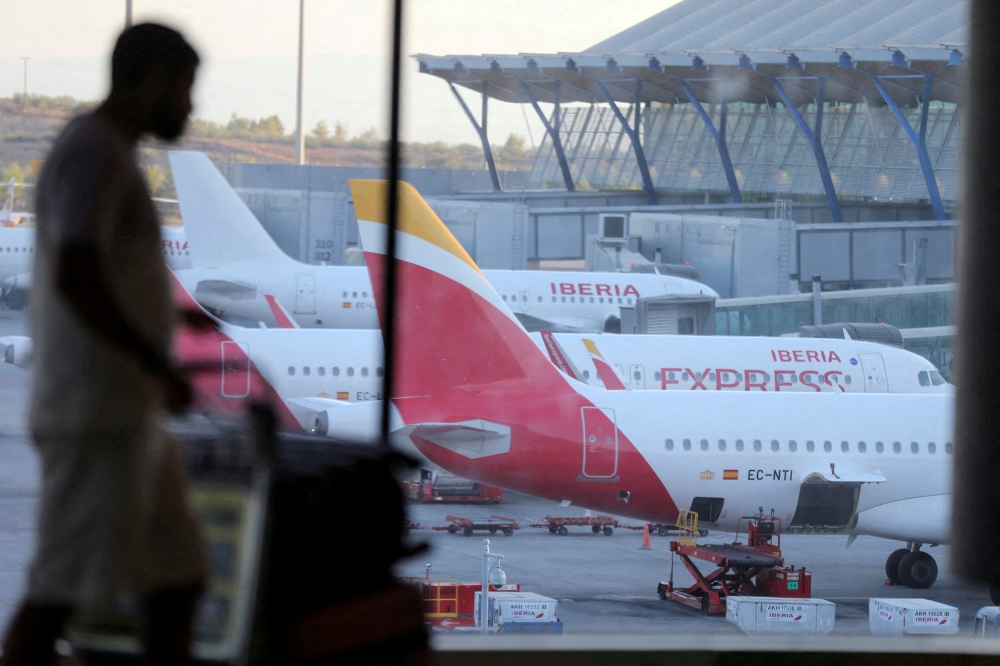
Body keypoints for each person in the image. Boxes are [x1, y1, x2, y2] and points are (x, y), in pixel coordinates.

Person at [1, 24, 209, 665]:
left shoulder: (107, 152)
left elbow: (107, 272)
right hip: (94, 417)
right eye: (185, 89)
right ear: (154, 83)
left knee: (177, 584)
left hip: (125, 416)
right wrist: (156, 361)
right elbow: (77, 271)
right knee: (57, 595)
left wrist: (174, 318)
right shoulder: (94, 154)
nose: (191, 106)